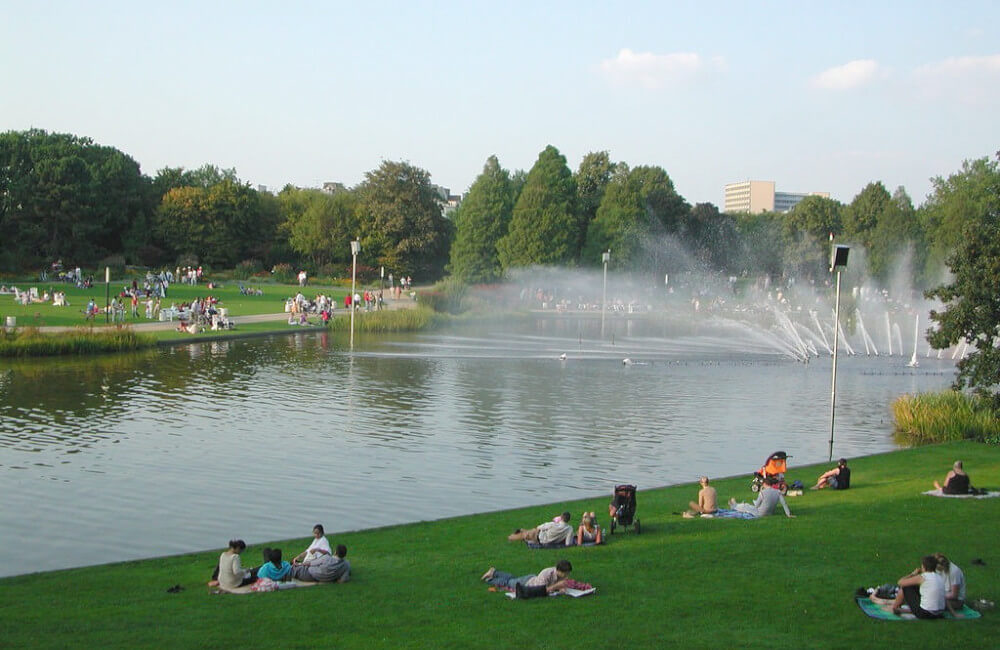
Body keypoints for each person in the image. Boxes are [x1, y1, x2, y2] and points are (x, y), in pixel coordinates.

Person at [480, 559, 573, 594]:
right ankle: (490, 579)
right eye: (565, 573)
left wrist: (561, 588)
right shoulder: (547, 574)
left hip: (532, 578)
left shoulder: (561, 575)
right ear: (558, 570)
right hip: (528, 583)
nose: (566, 576)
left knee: (512, 579)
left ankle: (494, 572)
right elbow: (541, 589)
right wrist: (557, 587)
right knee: (508, 582)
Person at [728, 477, 795, 518]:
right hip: (770, 513)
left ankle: (734, 505)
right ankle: (735, 504)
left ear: (765, 484)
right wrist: (788, 514)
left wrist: (755, 502)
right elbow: (784, 504)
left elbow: (756, 506)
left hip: (760, 513)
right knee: (748, 506)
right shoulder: (777, 491)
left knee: (745, 506)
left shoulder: (762, 492)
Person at [508, 512, 573, 544]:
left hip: (539, 535)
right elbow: (568, 543)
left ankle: (512, 537)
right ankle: (521, 531)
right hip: (544, 541)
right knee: (527, 533)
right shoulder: (569, 529)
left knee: (526, 533)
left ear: (561, 517)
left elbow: (539, 527)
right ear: (568, 520)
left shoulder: (552, 524)